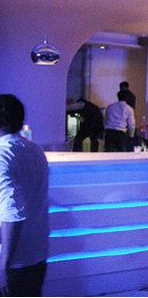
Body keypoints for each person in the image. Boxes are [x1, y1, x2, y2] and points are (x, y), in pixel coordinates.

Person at [0, 94, 49, 296]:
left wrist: (3, 267)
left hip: (13, 260)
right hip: (38, 253)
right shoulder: (36, 150)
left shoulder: (2, 154)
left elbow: (12, 214)